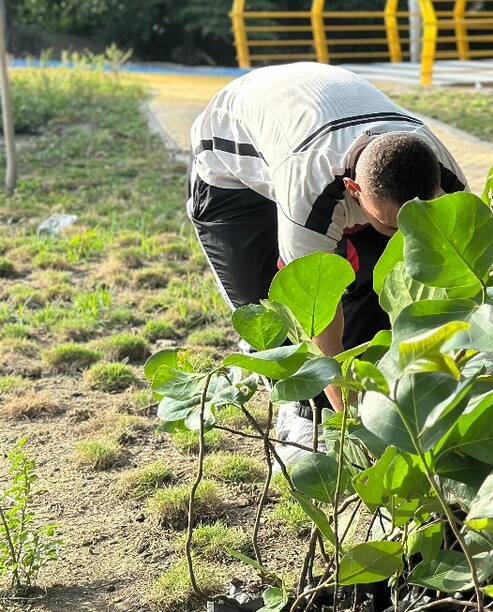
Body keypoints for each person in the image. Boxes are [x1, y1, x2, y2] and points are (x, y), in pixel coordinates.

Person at [187, 62, 468, 462]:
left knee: (373, 304)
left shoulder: (445, 177)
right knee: (272, 312)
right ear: (353, 190)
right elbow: (317, 316)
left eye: (415, 218)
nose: (400, 235)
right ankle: (302, 423)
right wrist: (350, 419)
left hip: (319, 120)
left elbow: (457, 283)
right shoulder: (312, 192)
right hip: (233, 172)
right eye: (390, 224)